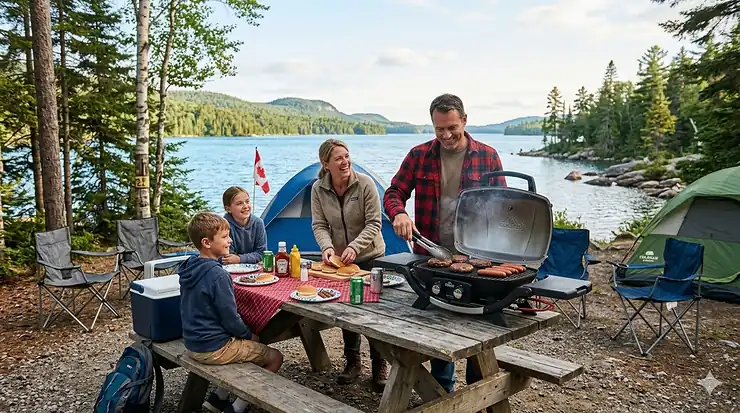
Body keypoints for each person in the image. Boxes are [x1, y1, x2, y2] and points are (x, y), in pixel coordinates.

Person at [383, 93, 507, 393]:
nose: (447, 135)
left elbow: (504, 207)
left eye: (452, 127)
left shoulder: (488, 156)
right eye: (440, 129)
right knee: (440, 328)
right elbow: (393, 192)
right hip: (432, 255)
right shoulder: (419, 155)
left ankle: (480, 394)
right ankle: (441, 394)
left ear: (464, 120)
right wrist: (399, 214)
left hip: (478, 259)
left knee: (479, 327)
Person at [178, 212, 284, 413]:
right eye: (225, 237)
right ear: (207, 243)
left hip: (192, 341)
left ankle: (218, 398)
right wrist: (248, 335)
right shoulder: (219, 276)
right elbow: (230, 319)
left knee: (248, 345)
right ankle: (237, 408)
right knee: (274, 357)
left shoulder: (190, 267)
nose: (230, 240)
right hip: (213, 347)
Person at [310, 138, 390, 392]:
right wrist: (327, 248)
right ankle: (353, 363)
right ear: (326, 163)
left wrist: (355, 247)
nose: (345, 161)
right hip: (340, 261)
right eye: (338, 158)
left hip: (369, 256)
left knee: (373, 312)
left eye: (347, 156)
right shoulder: (318, 189)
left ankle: (379, 365)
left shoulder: (365, 184)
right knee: (349, 309)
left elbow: (374, 223)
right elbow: (319, 225)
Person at [221, 186, 267, 265]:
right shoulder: (223, 225)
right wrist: (250, 257)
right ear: (228, 209)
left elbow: (262, 253)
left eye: (247, 201)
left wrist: (240, 259)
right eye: (239, 203)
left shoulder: (258, 223)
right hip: (231, 268)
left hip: (253, 267)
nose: (245, 206)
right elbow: (227, 257)